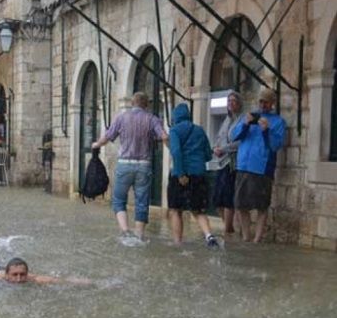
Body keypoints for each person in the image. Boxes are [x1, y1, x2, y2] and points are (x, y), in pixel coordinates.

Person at [92, 92, 168, 241]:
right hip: (144, 166)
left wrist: (96, 144)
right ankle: (139, 236)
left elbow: (107, 137)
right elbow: (164, 136)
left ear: (132, 103)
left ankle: (125, 231)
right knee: (142, 201)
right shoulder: (152, 119)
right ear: (146, 105)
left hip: (125, 165)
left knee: (119, 200)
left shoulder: (122, 117)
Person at [230, 88, 287, 243]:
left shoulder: (278, 122)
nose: (263, 105)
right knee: (240, 204)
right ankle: (246, 236)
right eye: (261, 101)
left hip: (262, 168)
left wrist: (266, 130)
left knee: (261, 206)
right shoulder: (249, 117)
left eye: (266, 102)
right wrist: (245, 124)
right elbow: (233, 136)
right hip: (243, 165)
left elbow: (276, 145)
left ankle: (257, 239)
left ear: (272, 103)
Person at [167, 103, 218, 247]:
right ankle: (209, 236)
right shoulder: (200, 131)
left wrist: (180, 173)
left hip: (180, 175)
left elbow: (176, 152)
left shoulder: (175, 130)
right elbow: (208, 155)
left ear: (175, 117)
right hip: (199, 174)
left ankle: (178, 242)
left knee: (176, 210)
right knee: (198, 210)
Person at [212, 91, 243, 235]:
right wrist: (216, 148)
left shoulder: (241, 120)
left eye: (234, 101)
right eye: (229, 101)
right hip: (221, 162)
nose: (230, 103)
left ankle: (227, 230)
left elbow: (239, 142)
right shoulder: (226, 120)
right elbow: (220, 137)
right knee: (218, 200)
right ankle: (229, 228)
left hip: (233, 163)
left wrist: (223, 149)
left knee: (228, 198)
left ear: (239, 104)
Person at [0, 258, 90, 285]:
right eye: (15, 275)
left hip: (8, 267)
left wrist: (83, 282)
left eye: (22, 275)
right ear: (8, 275)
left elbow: (57, 280)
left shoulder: (32, 279)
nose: (19, 279)